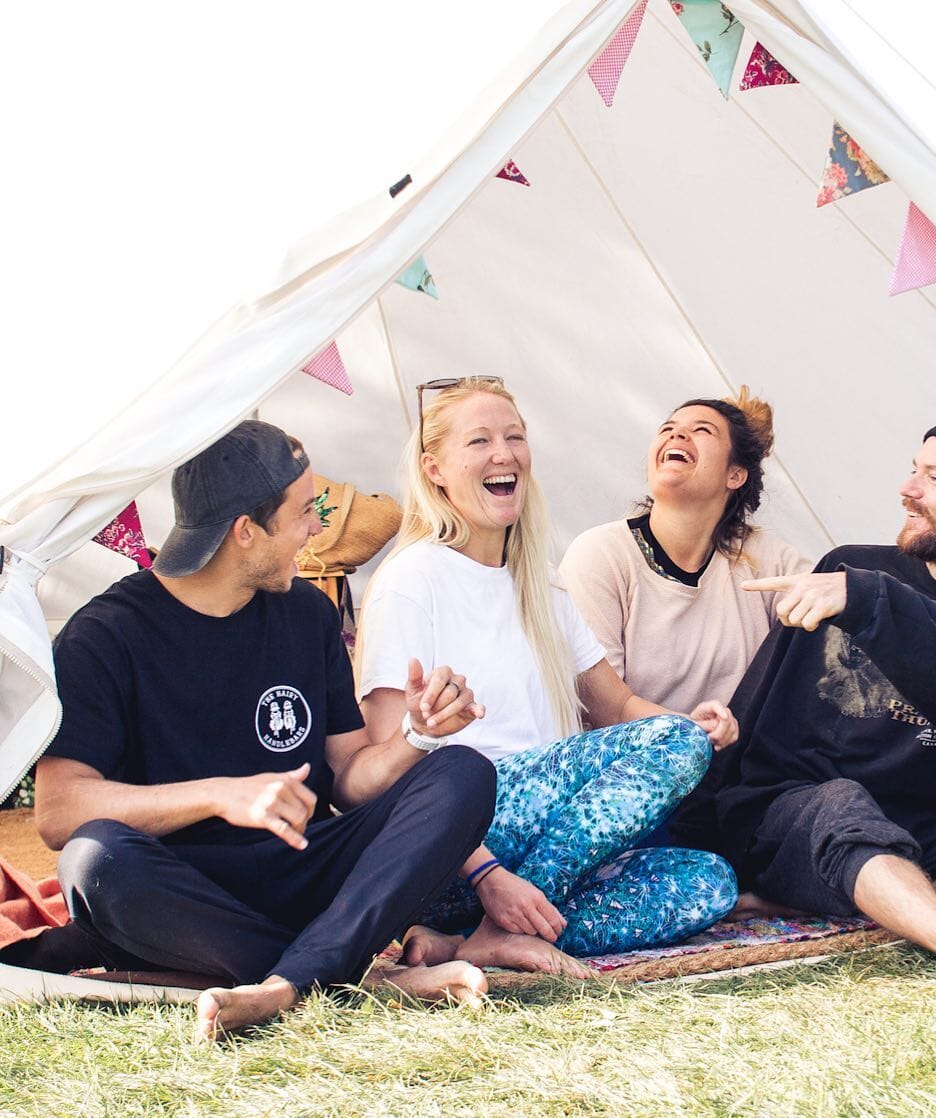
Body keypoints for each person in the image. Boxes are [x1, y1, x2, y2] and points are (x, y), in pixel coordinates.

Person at [0, 421, 498, 1040]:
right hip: (182, 894)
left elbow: (348, 778)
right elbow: (58, 811)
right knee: (92, 857)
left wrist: (416, 738)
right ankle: (344, 977)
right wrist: (220, 793)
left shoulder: (307, 613)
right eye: (304, 512)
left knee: (463, 772)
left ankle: (292, 974)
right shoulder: (105, 634)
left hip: (303, 872)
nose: (316, 528)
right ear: (245, 532)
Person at [670, 413, 936, 980]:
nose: (907, 489)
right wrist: (704, 831)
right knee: (841, 804)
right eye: (913, 470)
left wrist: (869, 601)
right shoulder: (850, 569)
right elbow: (757, 697)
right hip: (795, 808)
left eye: (935, 478)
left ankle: (886, 889)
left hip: (922, 825)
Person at [356, 377, 740, 975]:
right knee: (677, 743)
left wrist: (690, 727)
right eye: (479, 441)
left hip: (541, 847)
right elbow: (391, 771)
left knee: (709, 882)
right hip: (456, 845)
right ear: (435, 469)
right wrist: (485, 873)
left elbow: (614, 706)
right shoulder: (412, 580)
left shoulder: (542, 583)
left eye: (515, 437)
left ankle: (458, 942)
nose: (504, 454)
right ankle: (492, 925)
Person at [560, 386, 810, 713]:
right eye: (668, 428)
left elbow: (833, 638)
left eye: (701, 430)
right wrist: (697, 735)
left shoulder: (768, 562)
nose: (677, 433)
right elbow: (602, 709)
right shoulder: (601, 553)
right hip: (631, 758)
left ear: (735, 474)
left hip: (742, 760)